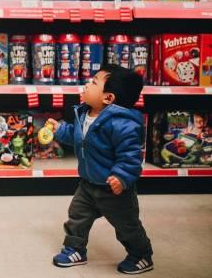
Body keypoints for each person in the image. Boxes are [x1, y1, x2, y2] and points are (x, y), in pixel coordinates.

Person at [47, 65, 153, 275]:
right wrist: (60, 130)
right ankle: (75, 249)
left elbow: (130, 156)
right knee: (77, 216)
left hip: (114, 189)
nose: (87, 83)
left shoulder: (123, 125)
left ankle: (141, 254)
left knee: (126, 225)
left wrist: (121, 177)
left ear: (108, 98)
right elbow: (79, 138)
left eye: (94, 82)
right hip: (87, 184)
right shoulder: (85, 114)